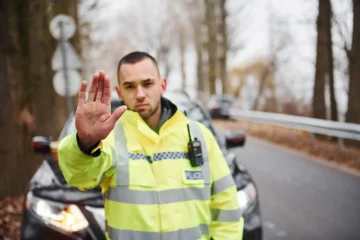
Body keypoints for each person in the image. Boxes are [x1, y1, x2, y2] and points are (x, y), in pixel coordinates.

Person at [58, 51, 244, 240]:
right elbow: (79, 177)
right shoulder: (109, 139)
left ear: (162, 85)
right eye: (130, 87)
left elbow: (226, 208)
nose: (140, 94)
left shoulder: (200, 137)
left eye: (147, 84)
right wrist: (86, 143)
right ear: (119, 92)